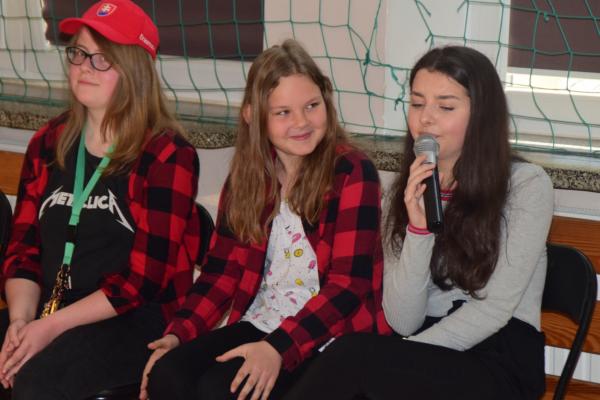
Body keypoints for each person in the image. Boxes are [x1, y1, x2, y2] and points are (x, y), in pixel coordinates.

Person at [284, 45, 554, 400]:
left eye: (445, 107)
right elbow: (403, 320)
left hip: (497, 357)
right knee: (346, 365)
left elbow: (494, 309)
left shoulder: (526, 185)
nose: (426, 119)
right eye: (416, 103)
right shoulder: (401, 192)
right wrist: (418, 230)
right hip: (424, 348)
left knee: (353, 358)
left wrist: (400, 354)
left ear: (481, 115)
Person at [140, 39, 389, 400]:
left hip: (327, 336)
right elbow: (220, 275)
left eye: (312, 106)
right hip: (263, 322)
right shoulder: (248, 180)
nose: (301, 122)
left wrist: (278, 348)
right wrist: (179, 333)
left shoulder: (352, 172)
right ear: (252, 116)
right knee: (168, 374)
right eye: (283, 112)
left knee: (218, 390)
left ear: (326, 101)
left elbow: (348, 286)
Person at [0, 1, 200, 399]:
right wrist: (20, 322)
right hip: (48, 307)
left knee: (37, 380)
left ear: (134, 70)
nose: (84, 67)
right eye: (78, 53)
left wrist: (49, 327)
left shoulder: (167, 155)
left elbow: (142, 282)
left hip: (132, 319)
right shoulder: (48, 142)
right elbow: (23, 249)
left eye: (101, 58)